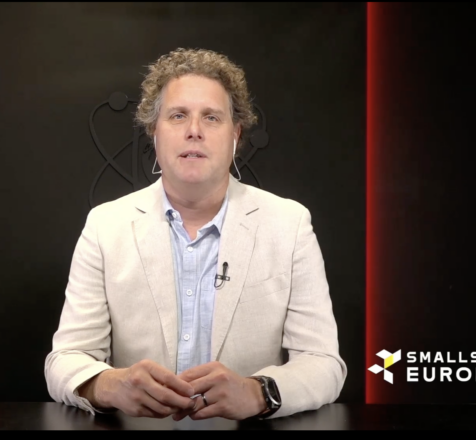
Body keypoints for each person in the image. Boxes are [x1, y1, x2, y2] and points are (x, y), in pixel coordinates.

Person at [45, 47, 347, 421]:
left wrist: (259, 392)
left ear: (235, 134)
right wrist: (109, 385)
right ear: (154, 132)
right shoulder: (106, 226)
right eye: (178, 116)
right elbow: (66, 359)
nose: (194, 131)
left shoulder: (289, 225)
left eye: (211, 117)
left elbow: (323, 363)